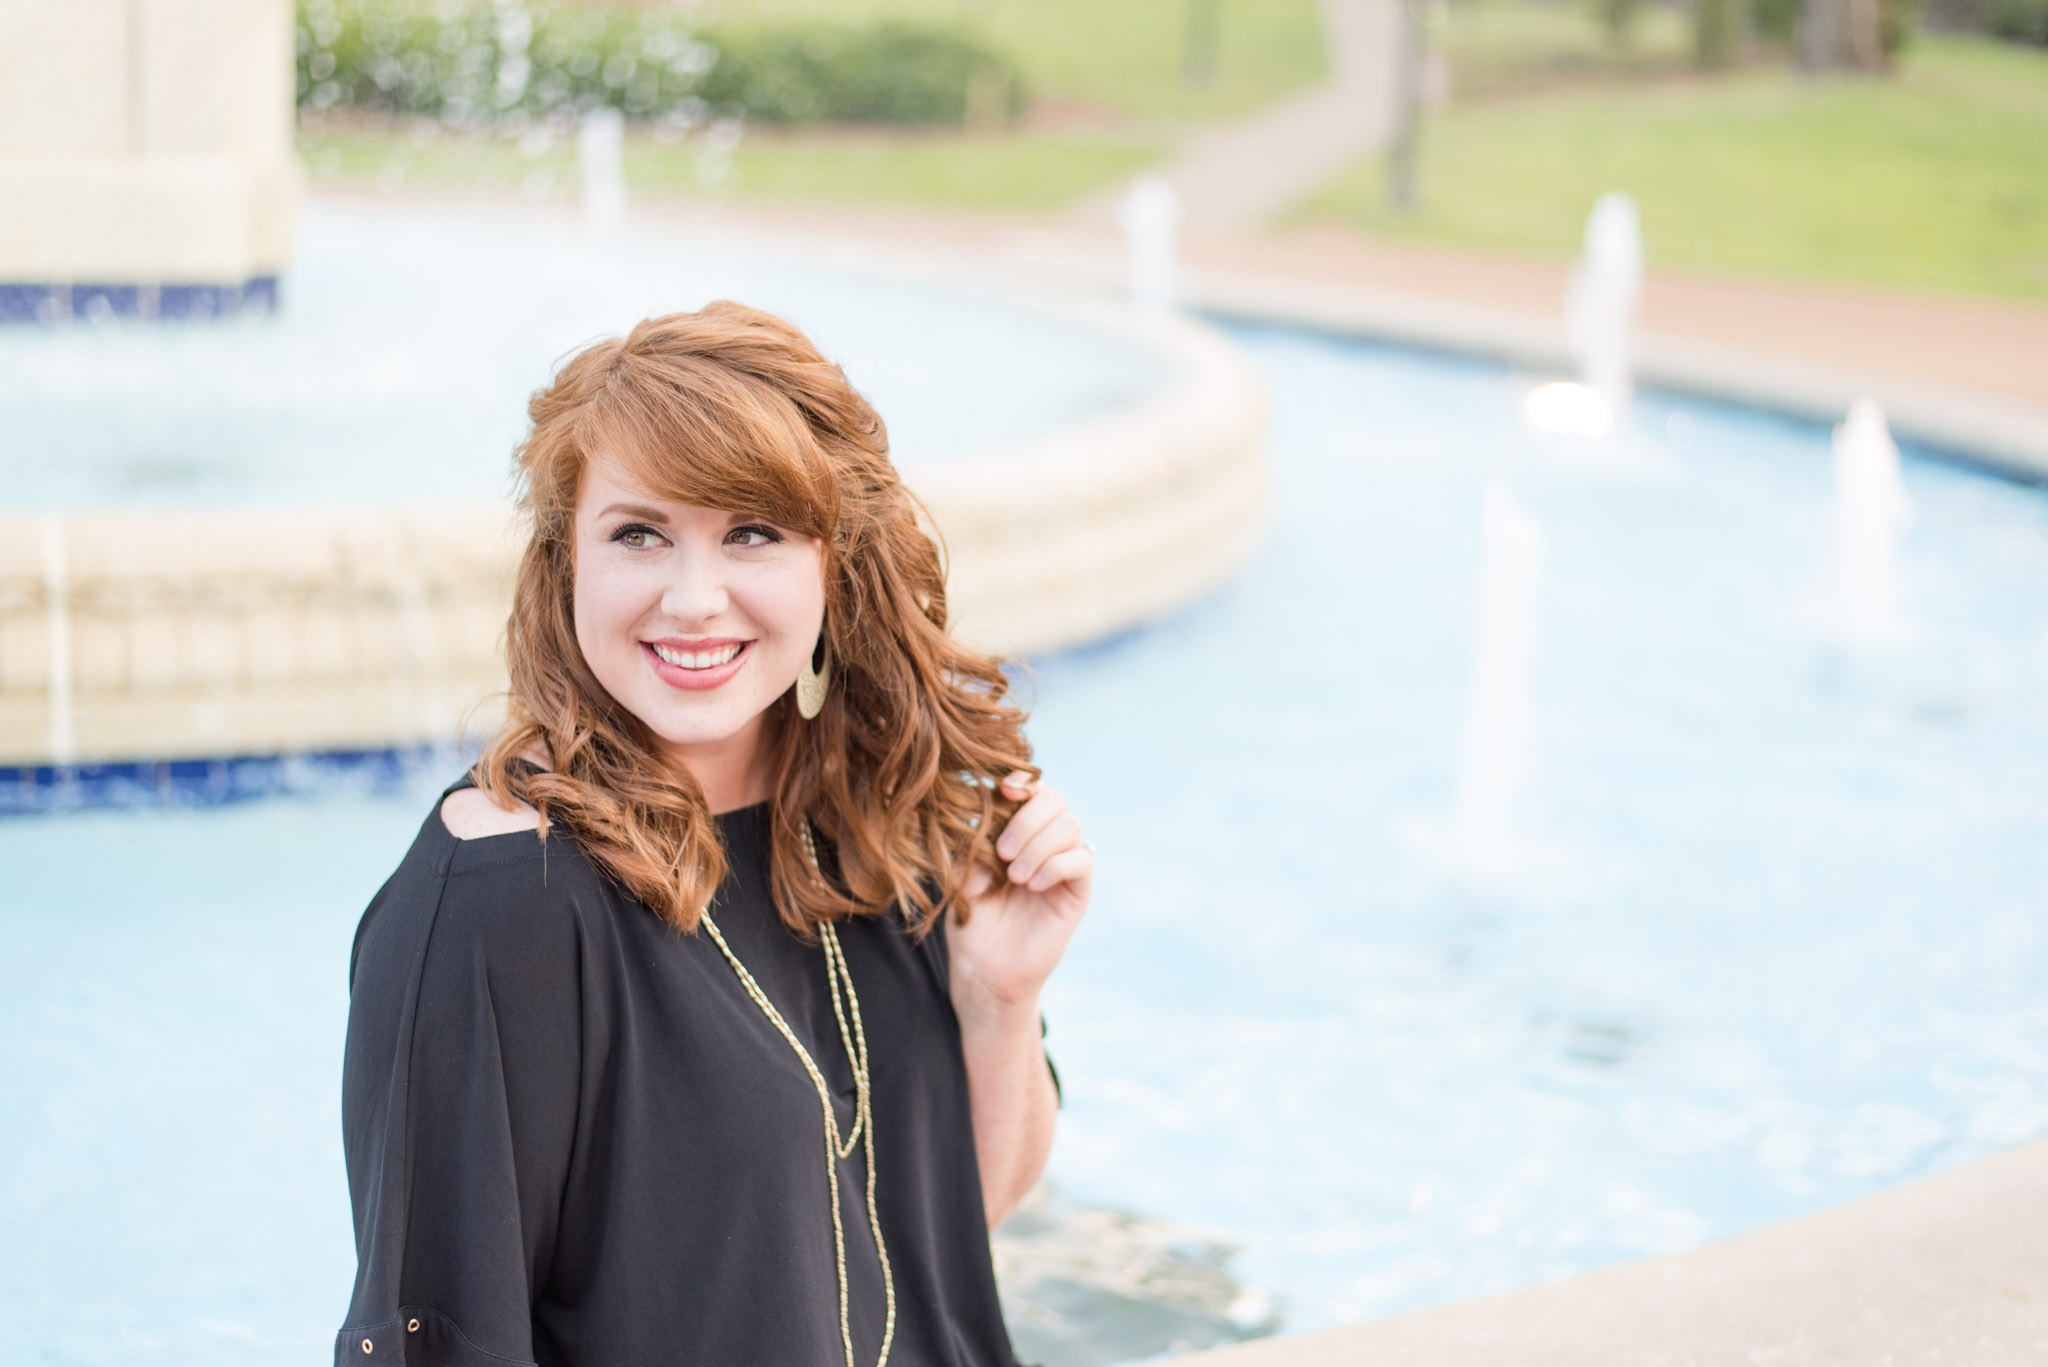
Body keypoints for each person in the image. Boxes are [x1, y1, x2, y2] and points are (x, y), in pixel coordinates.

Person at [334, 302, 1090, 1367]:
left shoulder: (885, 816)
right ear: (565, 564)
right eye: (638, 533)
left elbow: (952, 1228)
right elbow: (440, 1336)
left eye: (752, 532)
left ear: (833, 561)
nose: (694, 599)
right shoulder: (507, 897)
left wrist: (998, 998)